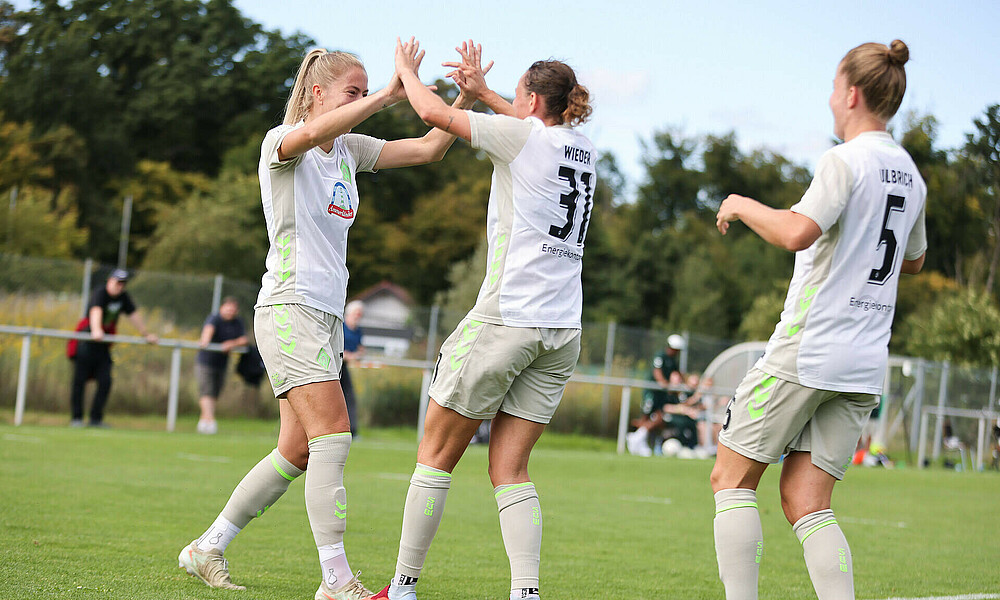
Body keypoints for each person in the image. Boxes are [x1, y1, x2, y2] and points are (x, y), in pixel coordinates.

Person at [177, 45, 478, 600]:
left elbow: (431, 148)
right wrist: (390, 93)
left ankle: (207, 546)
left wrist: (466, 94)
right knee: (334, 434)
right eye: (352, 94)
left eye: (366, 94)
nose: (362, 103)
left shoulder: (349, 150)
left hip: (326, 316)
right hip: (289, 309)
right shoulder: (282, 142)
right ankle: (336, 581)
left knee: (296, 449)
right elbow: (311, 135)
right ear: (317, 93)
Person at [374, 39, 595, 600]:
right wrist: (482, 93)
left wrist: (408, 72)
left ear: (530, 98)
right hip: (561, 329)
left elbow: (430, 114)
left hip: (507, 318)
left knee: (435, 456)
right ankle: (525, 594)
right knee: (511, 470)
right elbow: (526, 127)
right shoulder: (582, 148)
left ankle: (401, 589)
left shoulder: (523, 137)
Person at [711, 40, 926, 600]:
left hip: (808, 351)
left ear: (851, 94)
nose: (831, 99)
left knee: (730, 481)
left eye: (834, 88)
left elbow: (795, 232)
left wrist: (739, 202)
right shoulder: (910, 173)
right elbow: (916, 257)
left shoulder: (844, 159)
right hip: (861, 365)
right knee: (807, 503)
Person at [69, 268, 158, 427]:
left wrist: (146, 334)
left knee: (105, 381)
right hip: (87, 343)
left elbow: (134, 315)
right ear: (110, 281)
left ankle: (95, 419)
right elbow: (95, 310)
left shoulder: (123, 297)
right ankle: (77, 418)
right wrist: (96, 329)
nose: (120, 286)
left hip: (103, 346)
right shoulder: (100, 292)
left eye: (123, 284)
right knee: (79, 381)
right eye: (118, 282)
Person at [194, 296, 249, 434]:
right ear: (222, 308)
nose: (230, 312)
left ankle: (204, 422)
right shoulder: (214, 318)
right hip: (206, 362)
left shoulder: (237, 322)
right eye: (228, 308)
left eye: (233, 309)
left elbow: (244, 339)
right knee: (206, 390)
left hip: (221, 363)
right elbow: (207, 331)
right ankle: (210, 421)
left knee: (215, 392)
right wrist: (205, 341)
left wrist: (231, 344)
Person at [627, 334, 685, 455]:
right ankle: (636, 440)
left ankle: (638, 438)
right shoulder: (660, 356)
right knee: (645, 417)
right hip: (652, 392)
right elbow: (657, 372)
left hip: (662, 395)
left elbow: (678, 374)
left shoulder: (673, 361)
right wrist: (664, 383)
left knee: (659, 417)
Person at [340, 300, 365, 437]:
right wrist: (347, 355)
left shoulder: (358, 331)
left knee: (349, 397)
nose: (358, 317)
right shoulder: (341, 327)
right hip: (333, 366)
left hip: (344, 367)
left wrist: (356, 355)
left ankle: (352, 431)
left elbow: (361, 349)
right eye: (356, 314)